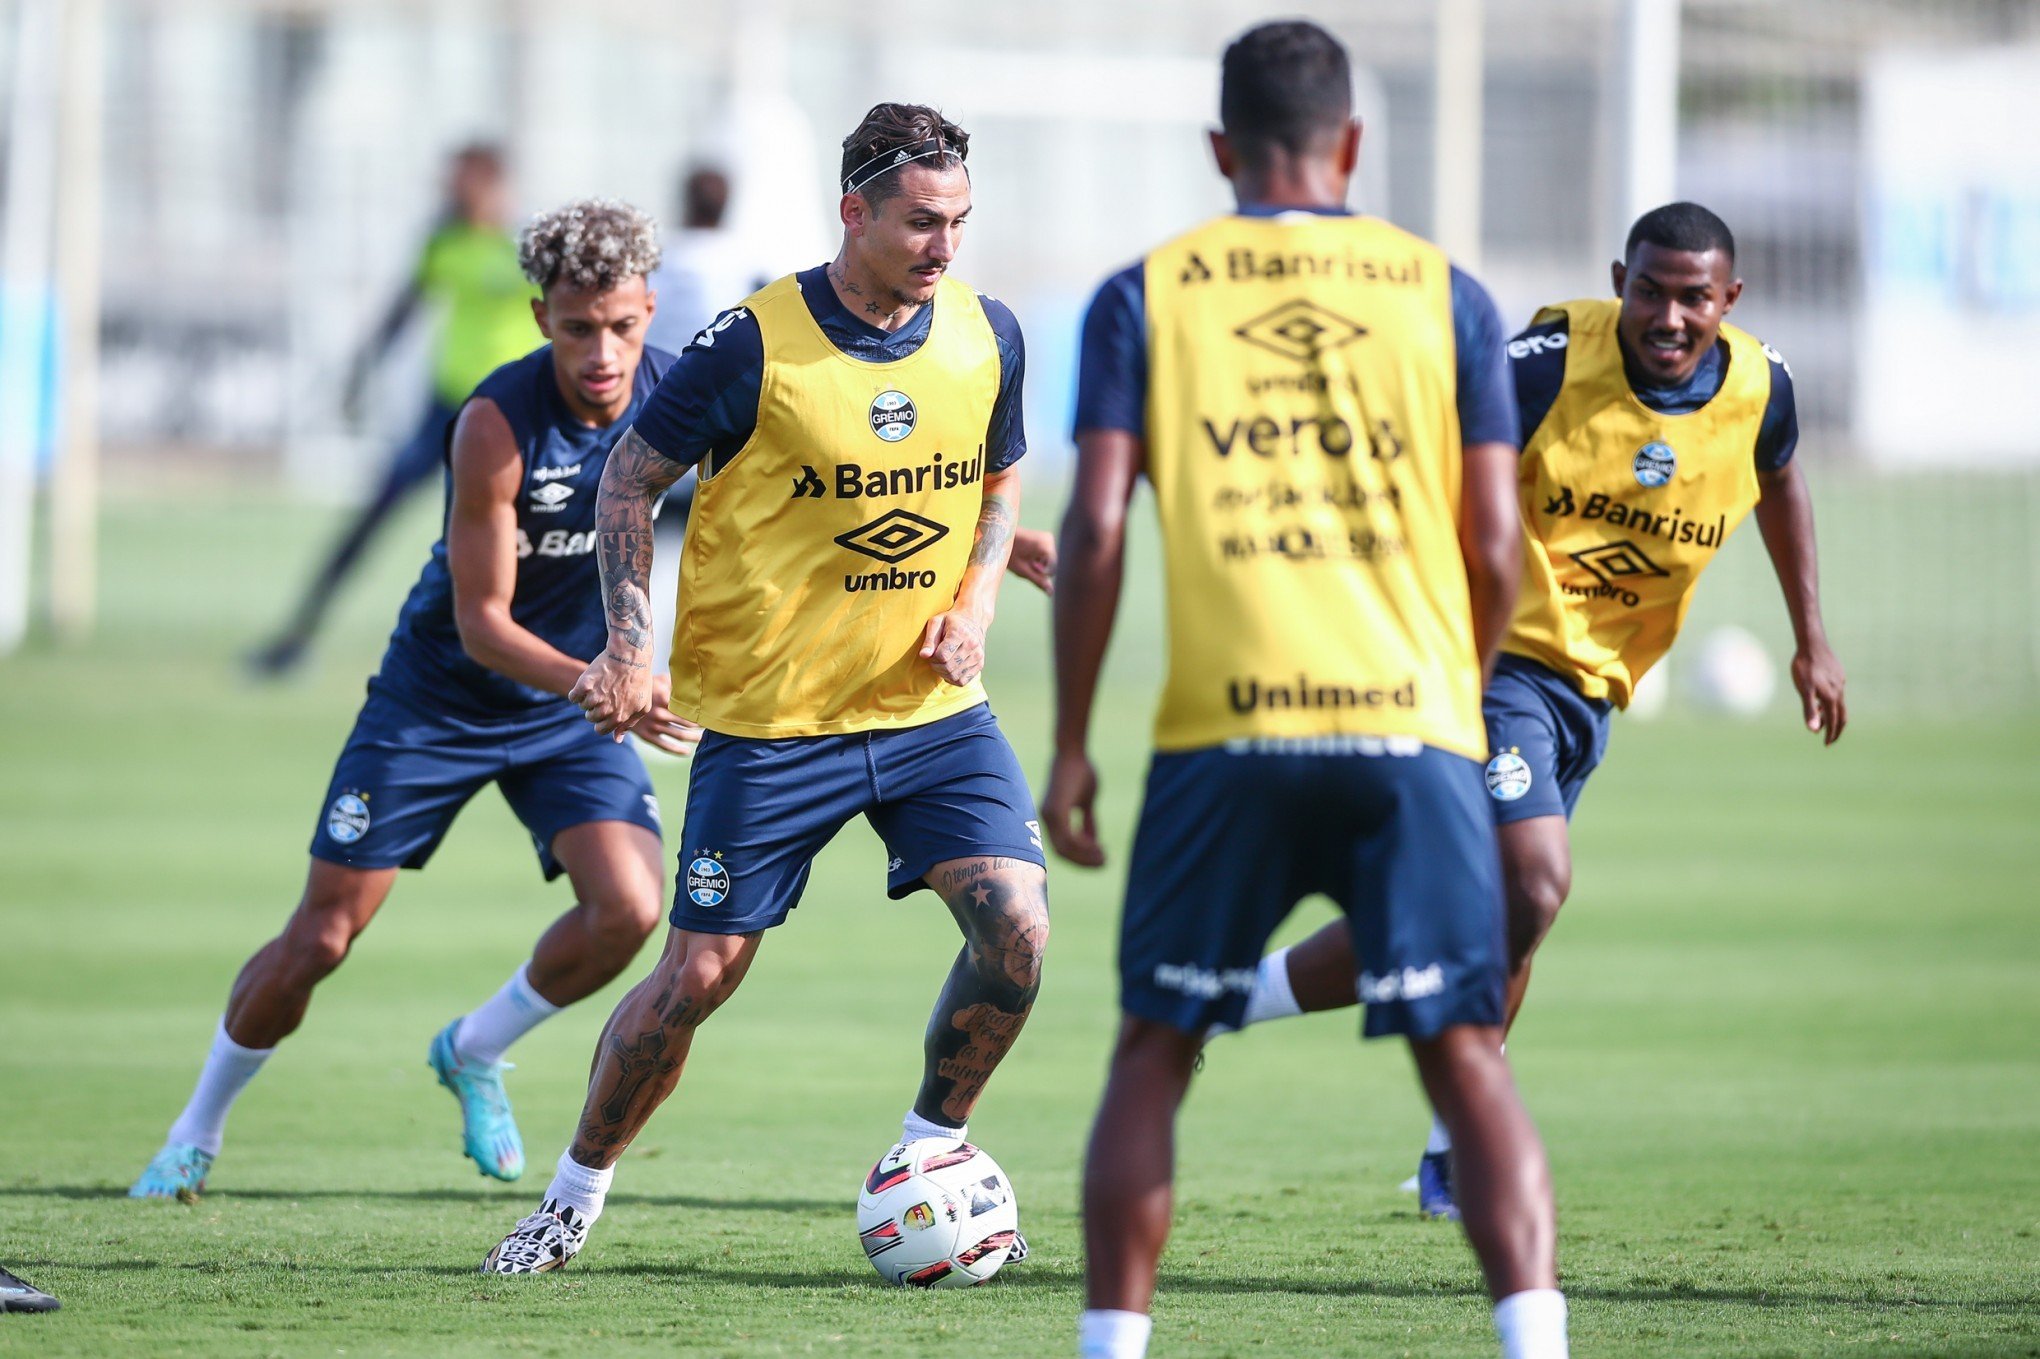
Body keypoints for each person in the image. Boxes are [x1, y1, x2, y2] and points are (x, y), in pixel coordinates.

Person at [1046, 22, 1569, 1359]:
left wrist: (1068, 743)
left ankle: (1114, 1345)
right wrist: (1452, 687)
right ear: (1350, 144)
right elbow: (1498, 542)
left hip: (1227, 732)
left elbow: (1096, 530)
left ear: (1221, 150)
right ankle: (1535, 1340)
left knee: (1156, 1047)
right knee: (1464, 1052)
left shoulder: (1142, 293)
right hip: (1413, 728)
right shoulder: (1444, 291)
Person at [479, 103, 1051, 1276]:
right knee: (696, 975)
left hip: (929, 714)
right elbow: (629, 484)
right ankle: (570, 1203)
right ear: (854, 211)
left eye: (959, 221)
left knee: (1019, 935)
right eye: (920, 222)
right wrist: (631, 645)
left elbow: (998, 478)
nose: (944, 245)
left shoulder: (989, 332)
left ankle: (929, 1156)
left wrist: (977, 604)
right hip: (772, 723)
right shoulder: (751, 343)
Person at [1224, 201, 1849, 1220]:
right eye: (1650, 289)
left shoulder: (1761, 389)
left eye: (1696, 297)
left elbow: (1779, 481)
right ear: (1620, 280)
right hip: (1493, 664)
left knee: (1496, 923)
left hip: (1594, 691)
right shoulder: (1551, 361)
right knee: (1534, 881)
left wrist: (1811, 637)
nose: (1670, 315)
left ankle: (1296, 1046)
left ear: (1728, 301)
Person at [131, 200, 697, 1199]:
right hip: (438, 700)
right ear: (540, 320)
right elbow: (483, 621)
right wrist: (610, 679)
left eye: (621, 324)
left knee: (630, 910)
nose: (602, 351)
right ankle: (194, 1133)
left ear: (648, 308)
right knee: (322, 938)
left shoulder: (680, 402)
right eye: (577, 328)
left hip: (569, 708)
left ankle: (475, 1049)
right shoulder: (495, 422)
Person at [249, 144, 541, 676]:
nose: (452, 193)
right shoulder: (443, 241)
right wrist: (359, 374)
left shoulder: (523, 248)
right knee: (376, 510)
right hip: (446, 409)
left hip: (512, 419)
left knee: (520, 535)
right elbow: (404, 310)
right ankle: (297, 635)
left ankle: (517, 655)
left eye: (463, 183)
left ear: (494, 186)